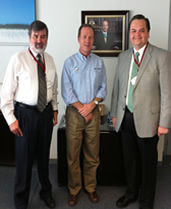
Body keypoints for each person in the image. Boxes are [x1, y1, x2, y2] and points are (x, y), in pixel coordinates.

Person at [110, 14, 171, 209]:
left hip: (149, 120)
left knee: (148, 164)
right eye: (134, 31)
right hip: (125, 117)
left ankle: (146, 201)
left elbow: (167, 93)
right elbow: (117, 88)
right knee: (130, 161)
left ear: (148, 33)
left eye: (141, 30)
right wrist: (114, 114)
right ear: (129, 34)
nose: (137, 34)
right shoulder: (123, 56)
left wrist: (164, 122)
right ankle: (131, 193)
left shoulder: (162, 56)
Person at [0, 20, 58, 209]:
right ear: (29, 37)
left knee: (43, 157)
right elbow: (5, 93)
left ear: (47, 38)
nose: (39, 41)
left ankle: (45, 192)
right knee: (24, 160)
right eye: (35, 36)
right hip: (25, 115)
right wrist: (11, 119)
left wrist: (55, 109)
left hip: (45, 113)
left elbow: (53, 88)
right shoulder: (18, 59)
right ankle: (21, 201)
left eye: (42, 37)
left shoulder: (49, 59)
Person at [61, 24, 107, 207]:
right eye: (84, 37)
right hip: (74, 113)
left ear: (93, 40)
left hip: (93, 112)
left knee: (92, 154)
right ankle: (74, 189)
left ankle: (90, 187)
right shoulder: (69, 62)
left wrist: (91, 106)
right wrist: (82, 108)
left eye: (90, 37)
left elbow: (103, 88)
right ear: (78, 39)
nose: (87, 40)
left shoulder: (99, 63)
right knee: (73, 154)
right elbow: (67, 90)